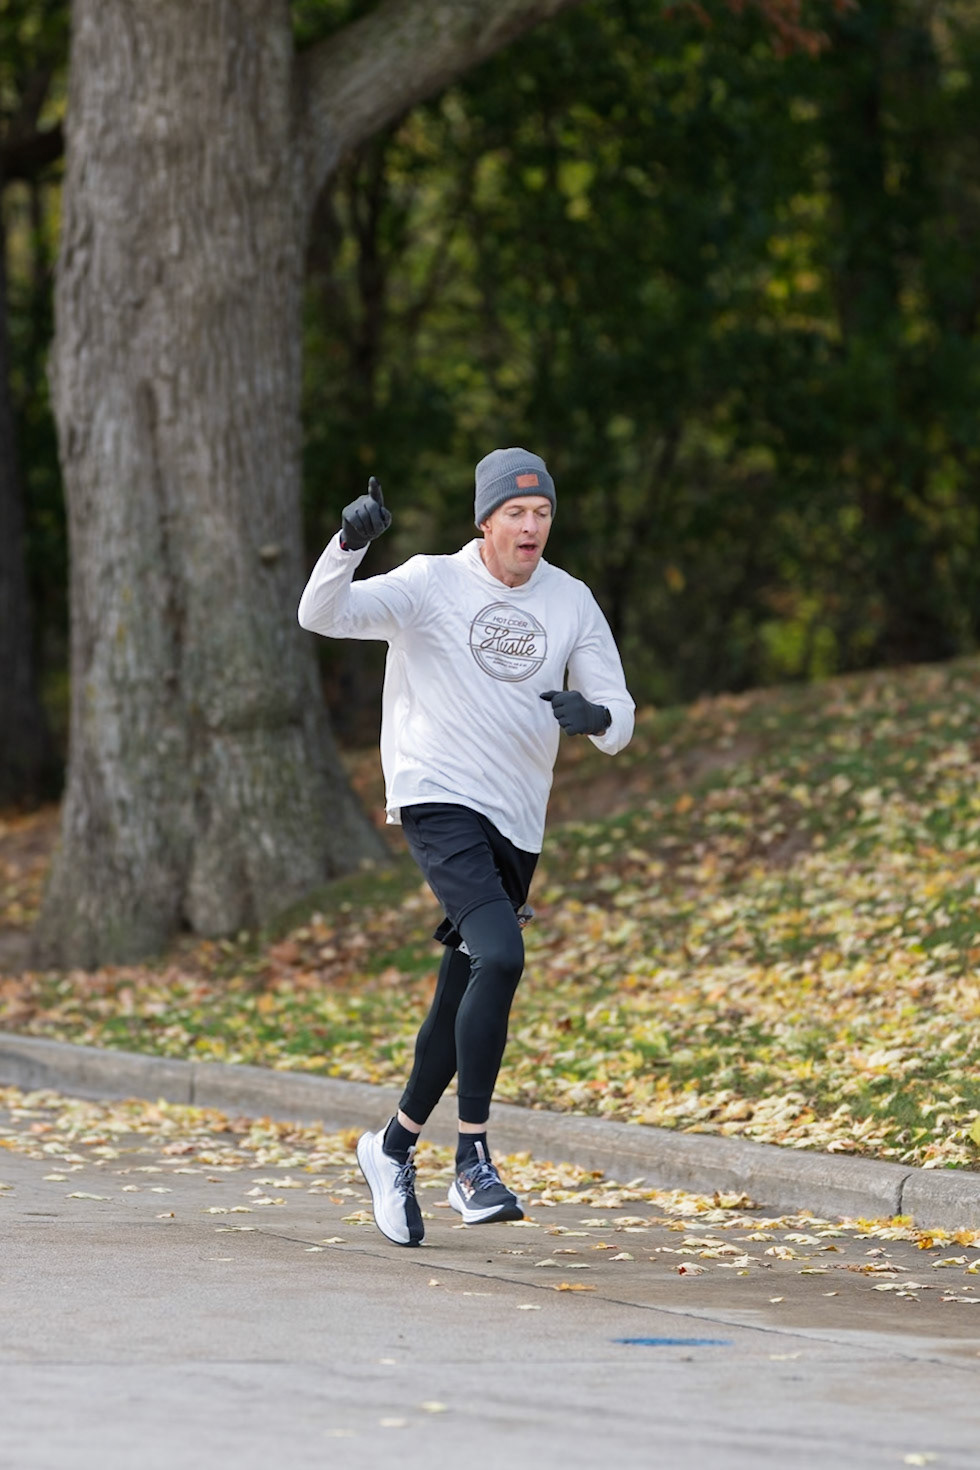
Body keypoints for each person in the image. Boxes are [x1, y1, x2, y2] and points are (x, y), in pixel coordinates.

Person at [297, 447, 635, 1246]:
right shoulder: (429, 583)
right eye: (516, 512)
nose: (531, 526)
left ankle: (392, 1146)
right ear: (485, 520)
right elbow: (321, 614)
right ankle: (472, 1160)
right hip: (437, 798)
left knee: (464, 988)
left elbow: (619, 715)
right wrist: (348, 544)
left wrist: (594, 717)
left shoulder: (571, 600)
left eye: (542, 513)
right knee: (503, 956)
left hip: (517, 821)